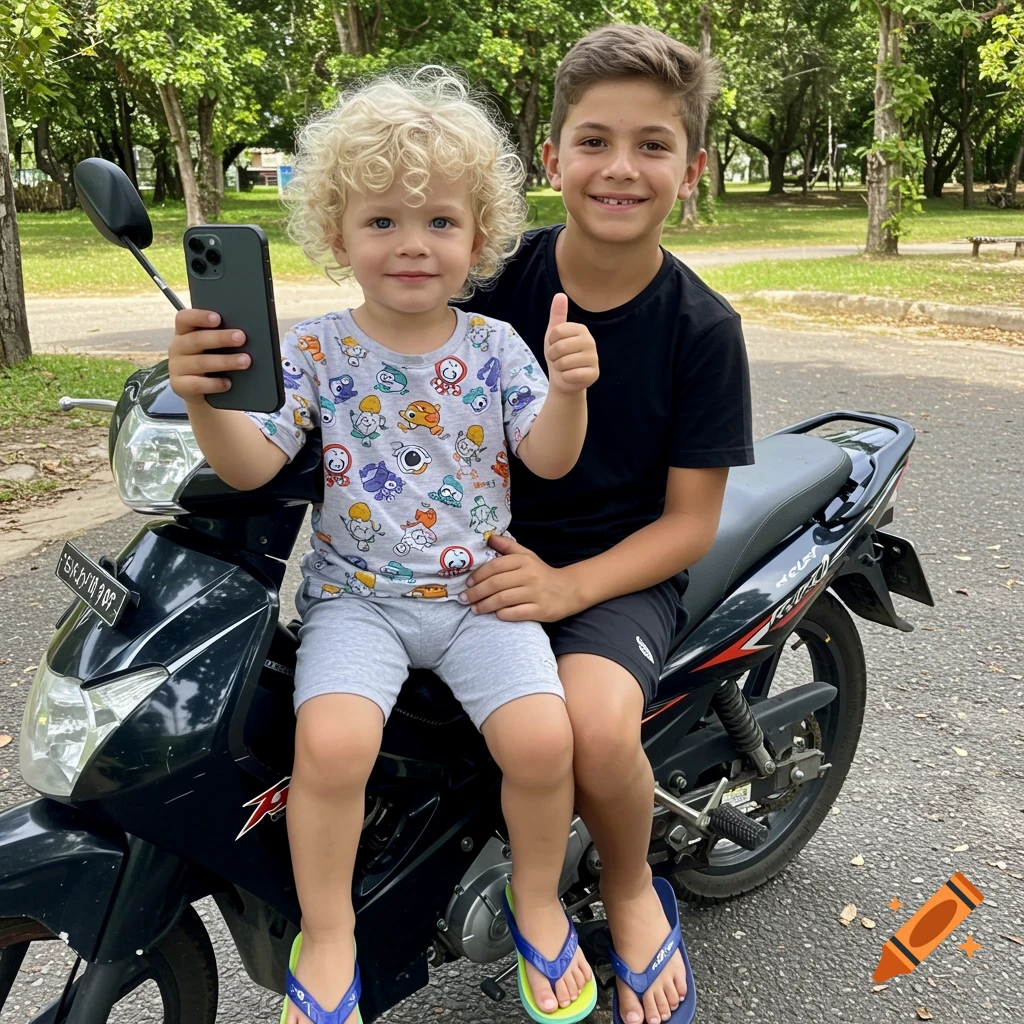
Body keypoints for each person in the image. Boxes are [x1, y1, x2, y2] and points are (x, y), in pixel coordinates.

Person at [167, 70, 602, 1024]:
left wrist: (567, 391)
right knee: (331, 744)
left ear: (480, 237)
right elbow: (250, 467)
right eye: (384, 222)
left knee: (543, 739)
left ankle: (536, 898)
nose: (413, 243)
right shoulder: (315, 352)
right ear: (337, 235)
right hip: (355, 596)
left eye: (441, 222)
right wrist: (205, 397)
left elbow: (549, 458)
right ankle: (328, 931)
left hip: (478, 591)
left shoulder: (497, 347)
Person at [456, 24, 755, 1024]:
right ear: (551, 158)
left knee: (590, 727)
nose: (619, 168)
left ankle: (629, 884)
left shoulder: (702, 331)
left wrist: (567, 586)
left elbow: (688, 524)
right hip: (473, 549)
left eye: (651, 145)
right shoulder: (492, 280)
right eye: (593, 141)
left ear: (692, 167)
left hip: (613, 573)